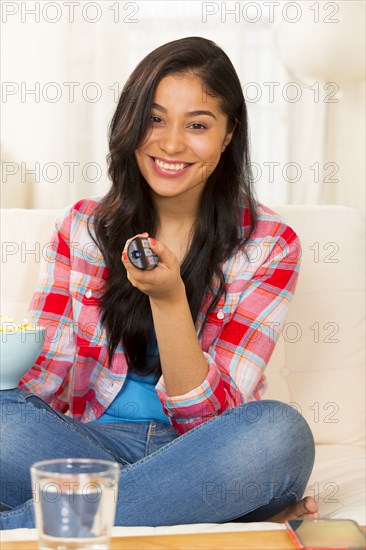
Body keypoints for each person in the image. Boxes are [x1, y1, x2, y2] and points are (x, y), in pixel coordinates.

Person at [0, 36, 318, 529]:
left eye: (197, 125)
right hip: (86, 447)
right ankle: (188, 512)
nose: (171, 144)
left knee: (279, 433)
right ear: (130, 122)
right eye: (154, 118)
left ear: (229, 133)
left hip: (208, 451)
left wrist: (169, 300)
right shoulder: (81, 228)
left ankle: (27, 525)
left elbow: (210, 423)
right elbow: (45, 384)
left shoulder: (270, 244)